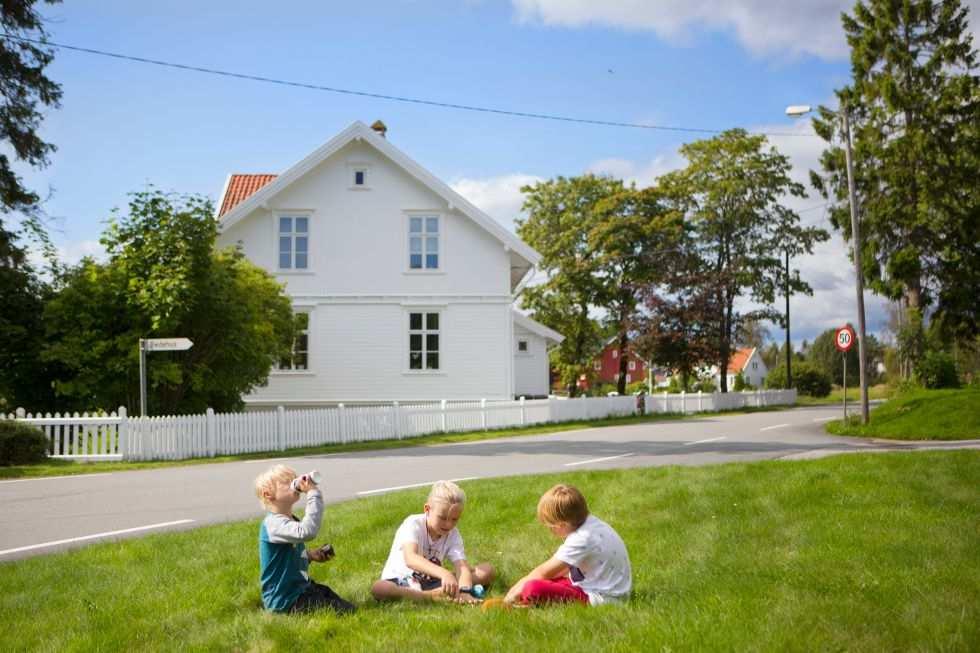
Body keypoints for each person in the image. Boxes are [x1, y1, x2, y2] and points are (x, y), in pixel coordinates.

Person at [503, 483, 631, 606]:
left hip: (601, 598)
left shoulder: (582, 538)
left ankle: (525, 599)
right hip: (597, 587)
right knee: (548, 581)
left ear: (562, 525)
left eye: (551, 527)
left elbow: (543, 572)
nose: (550, 531)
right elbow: (560, 569)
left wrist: (513, 593)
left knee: (532, 588)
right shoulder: (592, 524)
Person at [254, 464, 355, 614]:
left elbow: (287, 558)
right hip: (285, 600)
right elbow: (307, 532)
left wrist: (310, 555)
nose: (295, 484)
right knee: (338, 612)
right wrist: (313, 494)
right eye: (286, 483)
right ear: (268, 494)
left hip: (300, 589)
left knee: (337, 601)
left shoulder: (289, 520)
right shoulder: (273, 524)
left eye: (293, 480)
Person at [370, 480, 493, 603]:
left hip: (431, 581)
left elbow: (462, 567)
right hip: (402, 580)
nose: (448, 524)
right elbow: (410, 558)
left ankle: (438, 592)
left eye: (454, 519)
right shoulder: (413, 523)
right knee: (379, 588)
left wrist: (465, 591)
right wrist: (445, 574)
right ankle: (431, 595)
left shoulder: (453, 534)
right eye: (442, 518)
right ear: (427, 509)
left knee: (487, 570)